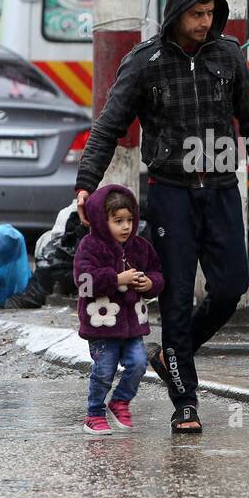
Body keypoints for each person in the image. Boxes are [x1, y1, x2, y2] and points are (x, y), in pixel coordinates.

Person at [74, 0, 249, 434]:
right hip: (170, 194)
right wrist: (86, 181)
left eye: (210, 13)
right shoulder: (144, 62)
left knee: (230, 287)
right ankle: (185, 401)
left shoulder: (229, 57)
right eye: (196, 14)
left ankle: (171, 355)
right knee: (175, 295)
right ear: (175, 14)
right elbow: (109, 126)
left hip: (223, 190)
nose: (205, 22)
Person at [74, 184, 164, 435]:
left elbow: (157, 273)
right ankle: (94, 414)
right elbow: (83, 281)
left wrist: (150, 284)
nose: (125, 227)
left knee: (138, 363)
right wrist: (117, 279)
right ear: (103, 222)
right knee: (104, 370)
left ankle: (120, 400)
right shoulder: (90, 246)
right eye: (118, 221)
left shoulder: (140, 247)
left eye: (129, 220)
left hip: (133, 324)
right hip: (101, 327)